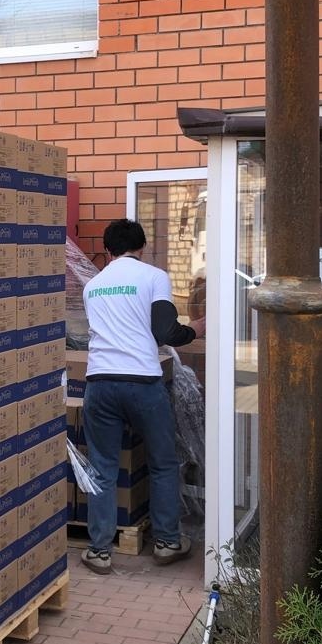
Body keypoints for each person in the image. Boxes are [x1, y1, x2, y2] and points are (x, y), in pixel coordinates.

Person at [80, 219, 205, 575]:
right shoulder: (154, 277)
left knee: (102, 468)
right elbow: (166, 332)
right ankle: (167, 542)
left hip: (99, 384)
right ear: (143, 247)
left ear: (107, 251)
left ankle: (99, 551)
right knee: (162, 463)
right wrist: (197, 328)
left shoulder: (93, 286)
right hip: (143, 383)